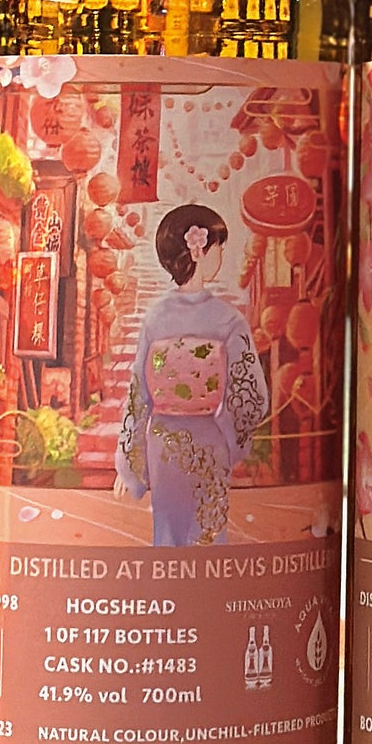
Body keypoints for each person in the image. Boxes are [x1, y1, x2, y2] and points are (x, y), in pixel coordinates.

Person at [115, 203, 269, 546]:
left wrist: (130, 460)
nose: (221, 254)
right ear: (198, 252)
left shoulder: (155, 318)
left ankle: (168, 580)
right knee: (207, 531)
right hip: (209, 437)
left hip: (163, 440)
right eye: (218, 247)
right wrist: (229, 434)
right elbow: (250, 397)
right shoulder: (229, 320)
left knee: (168, 530)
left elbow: (139, 392)